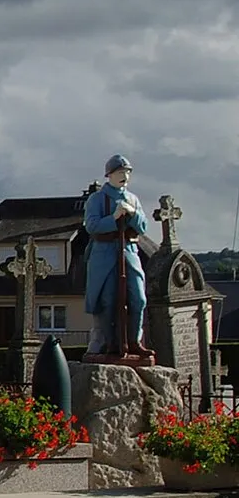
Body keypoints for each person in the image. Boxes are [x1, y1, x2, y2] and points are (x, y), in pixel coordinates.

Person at [83, 153, 152, 358]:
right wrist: (113, 217)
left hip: (129, 251)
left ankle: (134, 341)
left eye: (127, 173)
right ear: (110, 175)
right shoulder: (97, 199)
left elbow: (143, 227)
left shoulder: (133, 199)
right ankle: (111, 342)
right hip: (104, 253)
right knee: (108, 299)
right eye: (120, 172)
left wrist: (132, 213)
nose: (125, 177)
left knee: (138, 298)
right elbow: (92, 225)